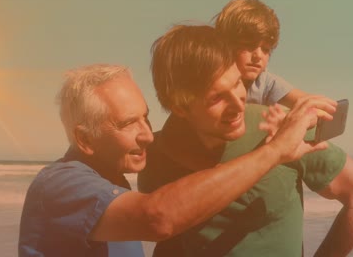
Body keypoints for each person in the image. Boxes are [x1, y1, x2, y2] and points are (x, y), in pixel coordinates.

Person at [18, 63, 336, 257]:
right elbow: (159, 218)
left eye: (146, 118)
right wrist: (273, 151)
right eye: (128, 124)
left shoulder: (111, 182)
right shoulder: (60, 186)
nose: (147, 135)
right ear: (85, 139)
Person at [137, 25, 353, 257]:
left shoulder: (280, 128)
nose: (237, 104)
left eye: (237, 84)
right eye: (217, 98)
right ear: (180, 107)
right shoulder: (158, 155)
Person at [214, 0, 308, 108]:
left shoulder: (264, 82)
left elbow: (310, 103)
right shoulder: (210, 76)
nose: (258, 56)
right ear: (226, 43)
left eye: (265, 49)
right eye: (248, 45)